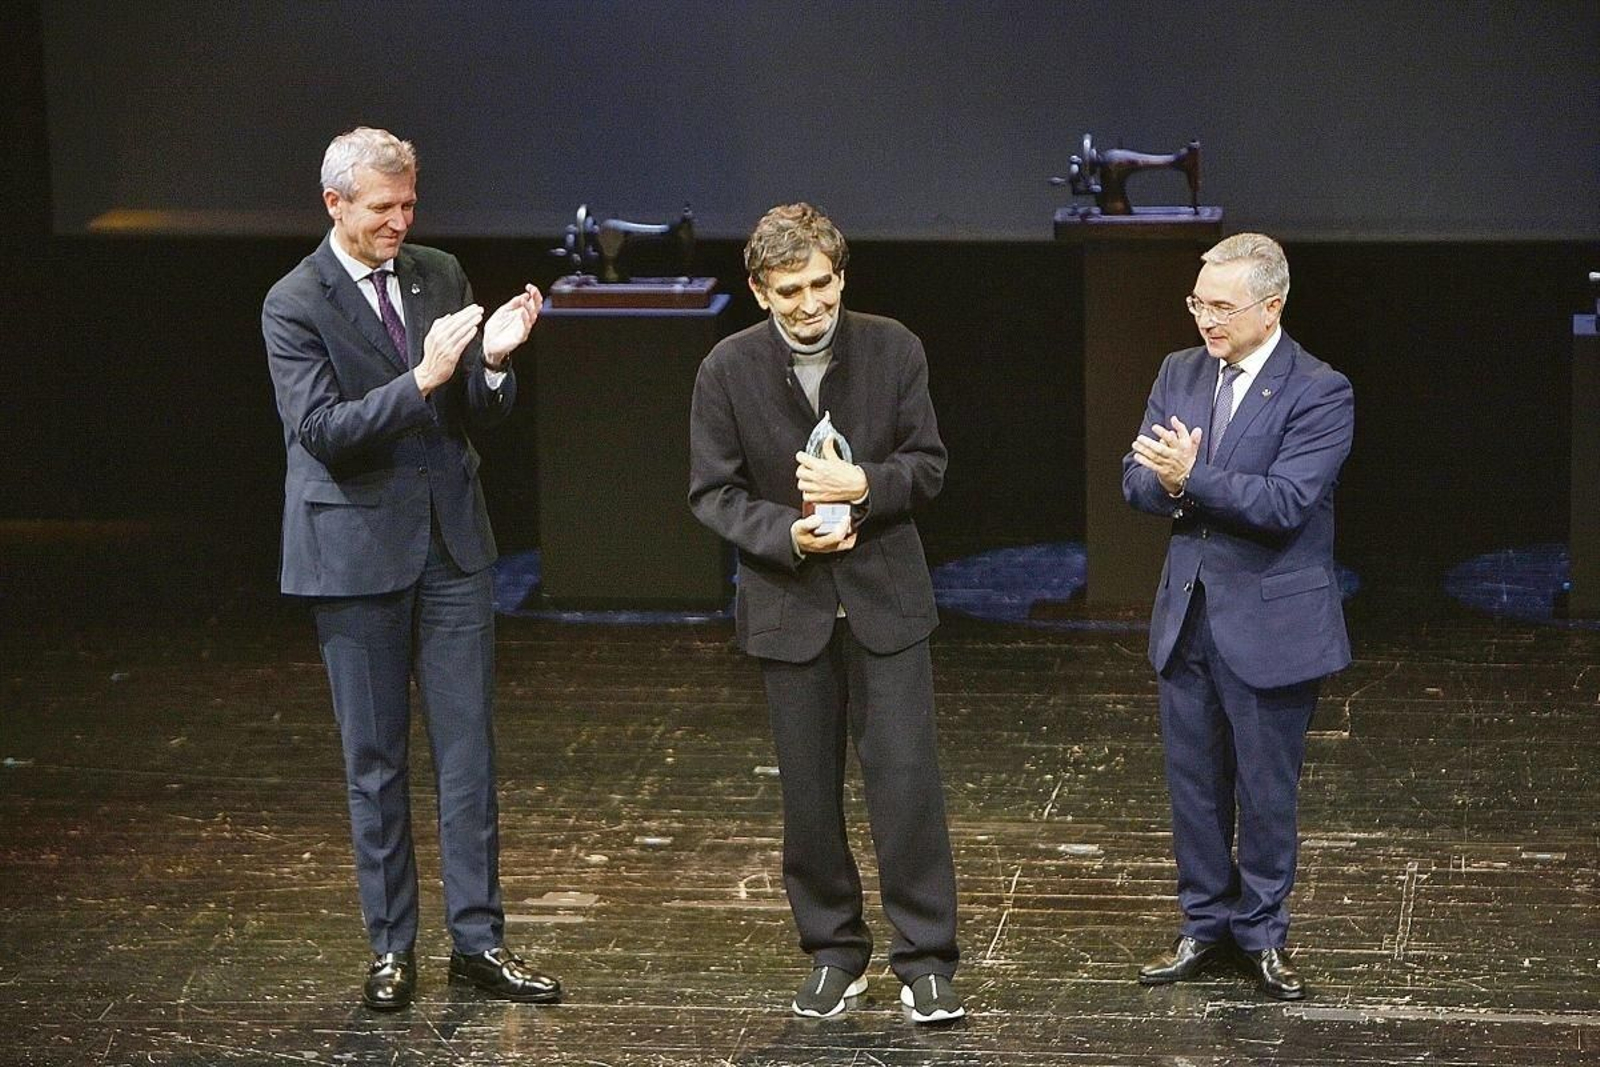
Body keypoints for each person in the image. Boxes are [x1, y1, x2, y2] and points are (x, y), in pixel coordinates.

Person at [263, 127, 559, 1011]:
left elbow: (478, 412)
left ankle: (479, 939)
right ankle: (393, 946)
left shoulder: (439, 272)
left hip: (452, 547)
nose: (400, 222)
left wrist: (495, 360)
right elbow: (324, 433)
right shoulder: (294, 302)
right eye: (382, 208)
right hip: (353, 555)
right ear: (335, 205)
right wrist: (425, 377)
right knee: (377, 762)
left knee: (469, 755)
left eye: (409, 205)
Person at [688, 204, 964, 1023]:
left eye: (822, 285)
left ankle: (926, 959)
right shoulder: (726, 368)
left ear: (841, 275)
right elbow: (713, 492)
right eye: (790, 291)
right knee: (808, 796)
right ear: (758, 290)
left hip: (887, 598)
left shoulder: (893, 346)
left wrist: (868, 487)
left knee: (908, 785)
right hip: (789, 604)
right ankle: (835, 952)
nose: (810, 305)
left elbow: (929, 465)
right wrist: (789, 533)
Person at [1123, 232, 1354, 1001]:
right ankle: (1203, 924)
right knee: (1193, 785)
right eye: (1198, 303)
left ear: (1272, 306)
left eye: (1222, 307)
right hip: (1186, 613)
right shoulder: (1178, 372)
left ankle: (1261, 933)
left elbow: (1286, 503)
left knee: (1264, 789)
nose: (1205, 321)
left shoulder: (1319, 389)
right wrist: (1174, 484)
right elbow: (1135, 479)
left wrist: (1193, 478)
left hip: (1270, 621)